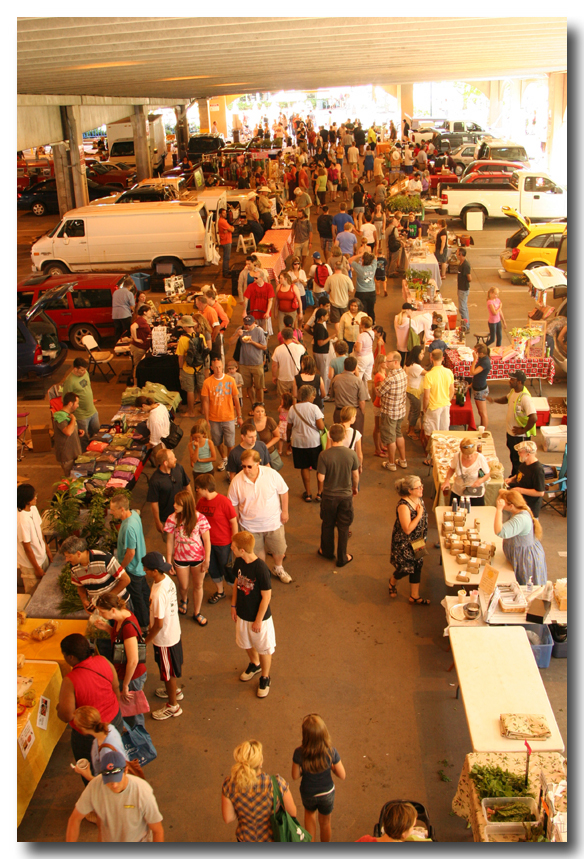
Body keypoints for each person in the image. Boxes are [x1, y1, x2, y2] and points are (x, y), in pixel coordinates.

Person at [66, 747, 164, 842]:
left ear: (126, 770)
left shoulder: (141, 791)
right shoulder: (95, 786)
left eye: (117, 779)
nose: (114, 785)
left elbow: (157, 831)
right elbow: (74, 819)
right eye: (109, 781)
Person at [57, 634, 124, 770]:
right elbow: (116, 687)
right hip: (114, 721)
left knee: (93, 770)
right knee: (115, 760)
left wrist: (59, 707)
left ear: (71, 657)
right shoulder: (103, 660)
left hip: (88, 735)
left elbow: (66, 716)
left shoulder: (70, 680)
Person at [227, 449, 291, 584]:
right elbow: (232, 503)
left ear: (258, 463)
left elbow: (284, 491)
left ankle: (278, 568)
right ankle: (263, 573)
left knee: (279, 550)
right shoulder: (237, 481)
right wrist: (237, 519)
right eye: (243, 466)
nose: (246, 469)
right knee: (257, 554)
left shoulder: (271, 474)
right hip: (250, 526)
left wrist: (284, 511)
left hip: (274, 522)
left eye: (249, 466)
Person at [229, 531, 276, 698]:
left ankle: (265, 677)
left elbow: (266, 597)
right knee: (246, 643)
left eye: (233, 547)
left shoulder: (261, 569)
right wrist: (234, 605)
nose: (231, 548)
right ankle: (255, 664)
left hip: (259, 619)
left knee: (264, 648)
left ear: (242, 550)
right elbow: (236, 583)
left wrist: (258, 620)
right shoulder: (239, 562)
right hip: (242, 614)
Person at [221, 739, 296, 840]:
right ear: (260, 763)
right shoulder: (276, 784)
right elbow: (293, 812)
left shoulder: (229, 785)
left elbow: (228, 818)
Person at [93, 594, 147, 727]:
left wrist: (125, 685)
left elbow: (133, 660)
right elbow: (119, 638)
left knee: (133, 712)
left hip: (132, 676)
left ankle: (138, 739)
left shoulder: (128, 627)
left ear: (112, 610)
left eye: (102, 612)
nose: (101, 614)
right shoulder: (120, 618)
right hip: (123, 672)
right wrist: (106, 628)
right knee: (128, 710)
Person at [142, 551, 184, 720]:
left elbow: (158, 624)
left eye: (146, 569)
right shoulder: (166, 580)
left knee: (167, 672)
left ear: (154, 571)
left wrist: (146, 640)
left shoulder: (158, 593)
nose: (144, 571)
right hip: (174, 632)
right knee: (170, 668)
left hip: (165, 639)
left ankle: (173, 705)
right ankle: (173, 691)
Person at [291, 714, 346, 843]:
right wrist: (331, 767)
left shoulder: (299, 753)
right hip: (327, 792)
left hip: (308, 792)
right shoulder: (331, 752)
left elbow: (295, 776)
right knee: (325, 822)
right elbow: (342, 775)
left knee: (310, 816)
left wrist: (303, 768)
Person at [164, 488, 211, 625]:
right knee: (183, 586)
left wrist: (207, 559)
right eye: (175, 503)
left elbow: (207, 540)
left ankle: (197, 612)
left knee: (198, 585)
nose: (174, 506)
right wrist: (168, 560)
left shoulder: (200, 518)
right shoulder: (172, 518)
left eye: (178, 504)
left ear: (186, 505)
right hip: (180, 558)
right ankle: (184, 599)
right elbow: (170, 541)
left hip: (198, 558)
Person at [316, 423, 359, 565]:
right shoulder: (351, 454)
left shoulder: (324, 455)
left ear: (330, 436)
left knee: (327, 523)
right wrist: (355, 487)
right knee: (343, 526)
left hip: (329, 495)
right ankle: (342, 557)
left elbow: (321, 478)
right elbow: (355, 475)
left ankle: (327, 551)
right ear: (344, 436)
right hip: (345, 495)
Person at [194, 473, 238, 604]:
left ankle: (236, 594)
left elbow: (233, 522)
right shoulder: (201, 502)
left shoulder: (224, 501)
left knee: (228, 569)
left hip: (223, 543)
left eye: (198, 488)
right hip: (207, 544)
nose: (196, 490)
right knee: (213, 567)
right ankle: (220, 592)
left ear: (205, 488)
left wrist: (234, 541)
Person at [108, 494, 149, 630]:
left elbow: (130, 552)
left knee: (137, 600)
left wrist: (121, 568)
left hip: (133, 569)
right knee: (143, 593)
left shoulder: (128, 527)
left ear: (122, 509)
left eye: (113, 510)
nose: (111, 512)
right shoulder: (135, 515)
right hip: (140, 565)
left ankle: (143, 625)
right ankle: (149, 615)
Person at [388, 475, 430, 605]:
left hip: (418, 541)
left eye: (421, 485)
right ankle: (392, 581)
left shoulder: (418, 499)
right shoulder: (403, 506)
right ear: (410, 490)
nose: (422, 488)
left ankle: (414, 596)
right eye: (418, 487)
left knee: (417, 566)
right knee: (405, 568)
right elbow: (407, 529)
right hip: (405, 543)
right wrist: (419, 515)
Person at [61, 536, 131, 613]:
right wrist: (84, 599)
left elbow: (126, 580)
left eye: (69, 557)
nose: (66, 560)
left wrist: (107, 599)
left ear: (78, 554)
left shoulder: (104, 559)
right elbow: (80, 586)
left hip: (119, 605)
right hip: (102, 610)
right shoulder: (74, 567)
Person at [487, 370, 537, 476]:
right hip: (512, 434)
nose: (509, 381)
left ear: (519, 382)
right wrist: (494, 400)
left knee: (520, 461)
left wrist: (523, 430)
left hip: (520, 437)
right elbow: (506, 399)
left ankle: (518, 480)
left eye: (512, 379)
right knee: (514, 458)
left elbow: (533, 417)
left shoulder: (525, 398)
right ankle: (514, 476)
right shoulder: (514, 391)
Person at [494, 489, 548, 586]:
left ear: (511, 506)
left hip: (525, 559)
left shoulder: (521, 519)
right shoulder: (521, 508)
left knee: (525, 586)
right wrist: (504, 494)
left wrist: (499, 509)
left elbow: (499, 531)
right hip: (521, 555)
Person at [201, 356, 243, 470]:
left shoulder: (230, 380)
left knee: (230, 442)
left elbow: (236, 399)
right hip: (214, 418)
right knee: (217, 441)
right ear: (211, 368)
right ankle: (224, 458)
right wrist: (206, 419)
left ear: (222, 366)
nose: (218, 369)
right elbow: (205, 402)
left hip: (229, 417)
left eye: (220, 367)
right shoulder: (207, 382)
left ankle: (229, 462)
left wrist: (239, 416)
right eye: (216, 367)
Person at [287, 385, 325, 503]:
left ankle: (308, 493)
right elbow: (321, 426)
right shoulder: (314, 408)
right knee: (319, 467)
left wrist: (288, 441)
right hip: (314, 442)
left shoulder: (293, 409)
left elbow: (289, 427)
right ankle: (320, 493)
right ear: (310, 396)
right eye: (313, 395)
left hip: (298, 442)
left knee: (304, 467)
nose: (314, 398)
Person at [69, 705, 127, 781]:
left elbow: (111, 783)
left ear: (82, 728)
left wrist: (86, 775)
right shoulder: (109, 728)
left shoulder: (106, 753)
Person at [146, 448, 191, 537]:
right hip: (167, 519)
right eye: (172, 458)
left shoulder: (179, 468)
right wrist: (157, 522)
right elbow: (154, 503)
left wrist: (191, 505)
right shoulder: (155, 481)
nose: (176, 459)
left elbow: (187, 485)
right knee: (170, 543)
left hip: (184, 513)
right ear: (165, 463)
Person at [17, 484, 53, 595]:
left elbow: (39, 532)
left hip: (41, 557)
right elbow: (27, 548)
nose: (36, 498)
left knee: (46, 589)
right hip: (31, 564)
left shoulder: (32, 508)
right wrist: (36, 568)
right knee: (34, 594)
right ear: (26, 500)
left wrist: (47, 552)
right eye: (34, 496)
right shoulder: (22, 520)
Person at [377, 351, 408, 471]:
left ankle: (391, 463)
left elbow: (379, 392)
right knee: (399, 434)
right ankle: (402, 460)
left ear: (395, 362)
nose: (386, 363)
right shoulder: (403, 373)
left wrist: (376, 388)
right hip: (400, 411)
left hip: (389, 412)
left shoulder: (390, 378)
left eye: (388, 361)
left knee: (390, 439)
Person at [441, 438, 491, 507]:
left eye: (471, 454)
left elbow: (487, 474)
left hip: (475, 494)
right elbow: (452, 469)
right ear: (461, 451)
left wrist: (480, 481)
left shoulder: (480, 458)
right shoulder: (457, 456)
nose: (469, 456)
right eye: (466, 454)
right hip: (458, 492)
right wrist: (447, 480)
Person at [232, 315, 268, 410]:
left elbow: (264, 347)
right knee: (248, 386)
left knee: (259, 386)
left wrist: (252, 342)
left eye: (249, 324)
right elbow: (230, 342)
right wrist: (237, 335)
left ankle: (260, 405)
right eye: (245, 324)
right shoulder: (240, 330)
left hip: (257, 363)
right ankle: (253, 405)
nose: (247, 326)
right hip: (244, 363)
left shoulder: (259, 331)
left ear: (254, 323)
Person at [504, 440, 546, 518]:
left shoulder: (537, 470)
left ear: (528, 454)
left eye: (521, 452)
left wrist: (520, 490)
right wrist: (512, 479)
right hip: (520, 503)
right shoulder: (525, 462)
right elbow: (520, 474)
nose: (518, 453)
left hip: (530, 507)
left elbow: (540, 492)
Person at [62, 358, 100, 443]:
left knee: (97, 433)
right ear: (75, 369)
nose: (84, 372)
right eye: (82, 370)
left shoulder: (85, 373)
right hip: (81, 416)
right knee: (84, 439)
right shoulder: (70, 381)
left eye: (85, 370)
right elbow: (65, 399)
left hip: (92, 411)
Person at [422, 349, 455, 445]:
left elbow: (426, 397)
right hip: (445, 406)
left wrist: (425, 407)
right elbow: (452, 391)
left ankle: (432, 455)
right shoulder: (449, 372)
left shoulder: (429, 375)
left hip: (433, 407)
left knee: (432, 434)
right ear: (443, 358)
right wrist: (446, 400)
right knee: (444, 433)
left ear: (431, 358)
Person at [329, 354, 368, 435]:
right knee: (356, 436)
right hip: (354, 412)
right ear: (355, 368)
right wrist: (362, 412)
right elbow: (362, 401)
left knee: (339, 436)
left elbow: (332, 396)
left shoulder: (335, 379)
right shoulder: (358, 381)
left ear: (344, 366)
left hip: (339, 412)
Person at [53, 391, 83, 475]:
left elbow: (70, 429)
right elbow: (68, 432)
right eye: (77, 403)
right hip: (67, 456)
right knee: (70, 477)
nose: (78, 405)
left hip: (74, 453)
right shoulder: (60, 416)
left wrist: (77, 431)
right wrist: (73, 419)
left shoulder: (68, 415)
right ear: (70, 403)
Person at [323, 261, 354, 334]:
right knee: (345, 320)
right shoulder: (346, 278)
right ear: (342, 268)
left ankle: (339, 336)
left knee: (337, 321)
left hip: (334, 302)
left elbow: (327, 290)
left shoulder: (330, 278)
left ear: (334, 268)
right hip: (345, 303)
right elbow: (351, 290)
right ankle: (346, 334)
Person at [405, 345, 426, 441]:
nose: (423, 355)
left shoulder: (409, 364)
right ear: (417, 354)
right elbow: (427, 373)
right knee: (416, 411)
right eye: (421, 353)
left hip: (410, 390)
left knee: (413, 410)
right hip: (414, 391)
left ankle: (410, 427)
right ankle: (411, 431)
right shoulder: (416, 367)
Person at [349, 248, 377, 322]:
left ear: (363, 260)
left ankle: (363, 323)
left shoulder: (359, 268)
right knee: (371, 309)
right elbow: (375, 257)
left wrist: (360, 254)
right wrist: (369, 254)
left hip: (361, 292)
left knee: (362, 311)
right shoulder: (373, 267)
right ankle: (372, 323)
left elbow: (350, 260)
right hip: (371, 292)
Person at [311, 307, 334, 395]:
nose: (328, 317)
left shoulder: (316, 325)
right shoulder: (320, 328)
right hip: (321, 352)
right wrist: (330, 338)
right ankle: (323, 393)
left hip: (316, 351)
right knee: (324, 373)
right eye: (327, 315)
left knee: (320, 371)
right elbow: (320, 342)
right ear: (322, 317)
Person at [470, 343, 492, 430]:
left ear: (481, 353)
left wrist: (474, 359)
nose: (475, 354)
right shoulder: (482, 358)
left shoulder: (485, 362)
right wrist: (471, 385)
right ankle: (482, 428)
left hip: (481, 390)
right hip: (477, 387)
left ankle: (483, 431)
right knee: (480, 412)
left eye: (476, 352)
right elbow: (478, 376)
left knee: (483, 413)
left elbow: (473, 372)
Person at [129, 306, 152, 385]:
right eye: (149, 311)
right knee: (137, 365)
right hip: (138, 347)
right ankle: (135, 384)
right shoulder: (141, 320)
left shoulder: (143, 320)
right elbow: (132, 327)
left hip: (142, 347)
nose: (151, 312)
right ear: (144, 312)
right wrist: (135, 338)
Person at [352, 315, 375, 383]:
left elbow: (358, 349)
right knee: (368, 378)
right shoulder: (372, 332)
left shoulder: (361, 336)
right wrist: (360, 326)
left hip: (362, 358)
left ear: (363, 325)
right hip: (370, 356)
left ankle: (358, 392)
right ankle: (368, 393)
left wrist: (355, 346)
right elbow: (363, 333)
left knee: (358, 377)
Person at [456, 247, 472, 333]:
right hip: (460, 288)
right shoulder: (461, 264)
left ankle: (466, 326)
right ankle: (464, 324)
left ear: (461, 254)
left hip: (463, 289)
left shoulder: (466, 265)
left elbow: (469, 278)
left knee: (463, 308)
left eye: (457, 253)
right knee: (462, 307)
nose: (456, 255)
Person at [217, 207, 235, 277]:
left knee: (226, 257)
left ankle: (226, 270)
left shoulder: (223, 221)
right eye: (223, 213)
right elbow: (232, 229)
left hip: (226, 240)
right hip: (226, 241)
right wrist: (229, 229)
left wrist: (229, 229)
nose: (225, 214)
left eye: (225, 213)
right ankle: (226, 272)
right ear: (220, 214)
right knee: (226, 257)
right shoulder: (223, 221)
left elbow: (231, 228)